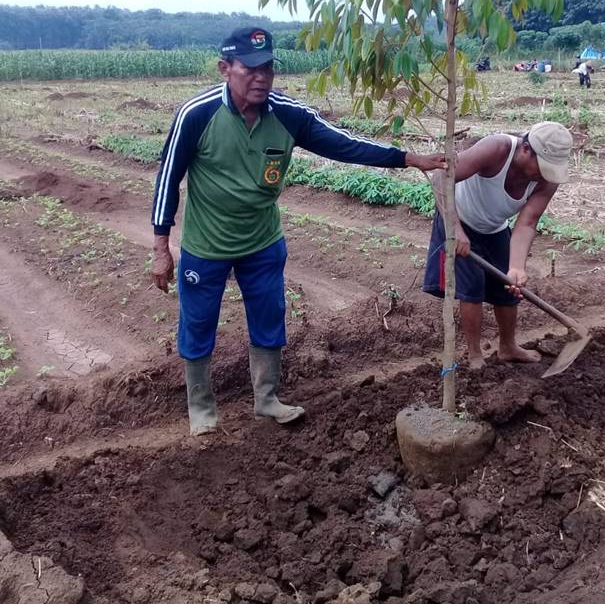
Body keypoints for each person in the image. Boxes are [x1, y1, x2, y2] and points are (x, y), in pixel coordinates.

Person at [151, 26, 446, 435]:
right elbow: (168, 178)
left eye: (268, 68)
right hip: (207, 245)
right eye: (250, 69)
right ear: (224, 69)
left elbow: (344, 144)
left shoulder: (288, 114)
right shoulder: (197, 115)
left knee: (270, 314)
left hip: (262, 242)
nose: (261, 77)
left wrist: (407, 158)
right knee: (198, 322)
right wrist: (160, 246)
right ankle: (201, 408)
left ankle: (267, 399)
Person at [422, 121, 572, 369]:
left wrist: (516, 268)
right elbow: (440, 178)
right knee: (472, 288)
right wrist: (455, 229)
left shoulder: (547, 180)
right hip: (457, 217)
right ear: (525, 149)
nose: (544, 173)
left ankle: (508, 347)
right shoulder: (497, 149)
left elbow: (527, 223)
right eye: (541, 165)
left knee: (507, 287)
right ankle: (474, 354)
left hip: (494, 227)